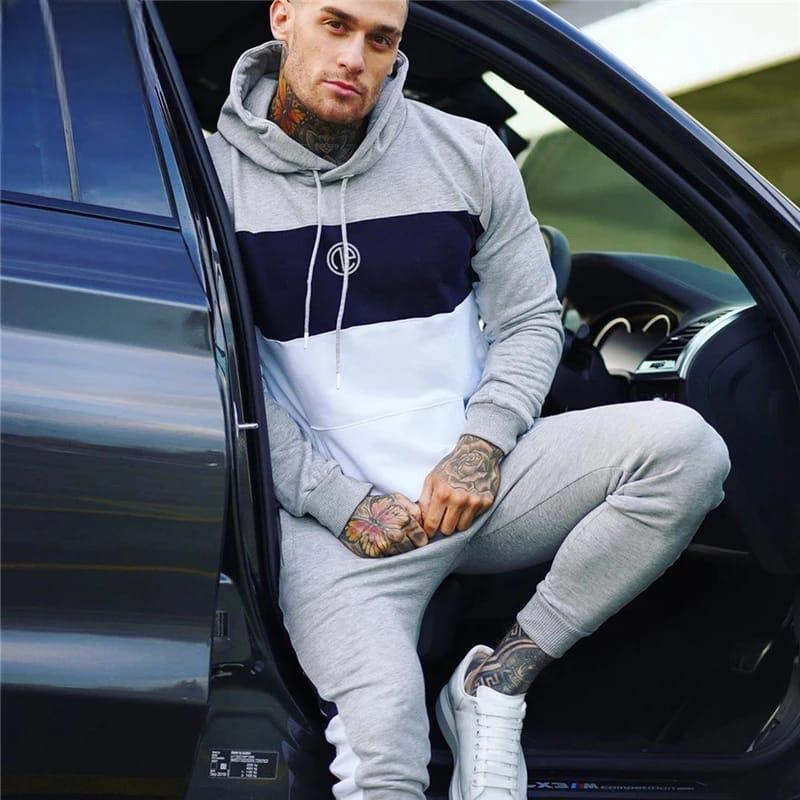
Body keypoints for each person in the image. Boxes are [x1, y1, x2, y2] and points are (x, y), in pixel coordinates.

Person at [205, 0, 732, 796]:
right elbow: (220, 374)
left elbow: (529, 320)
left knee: (685, 450)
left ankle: (495, 685)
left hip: (474, 488)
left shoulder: (465, 152)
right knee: (385, 767)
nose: (354, 57)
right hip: (331, 528)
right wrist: (338, 500)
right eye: (335, 25)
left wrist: (481, 447)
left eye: (380, 39)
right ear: (283, 17)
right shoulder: (213, 181)